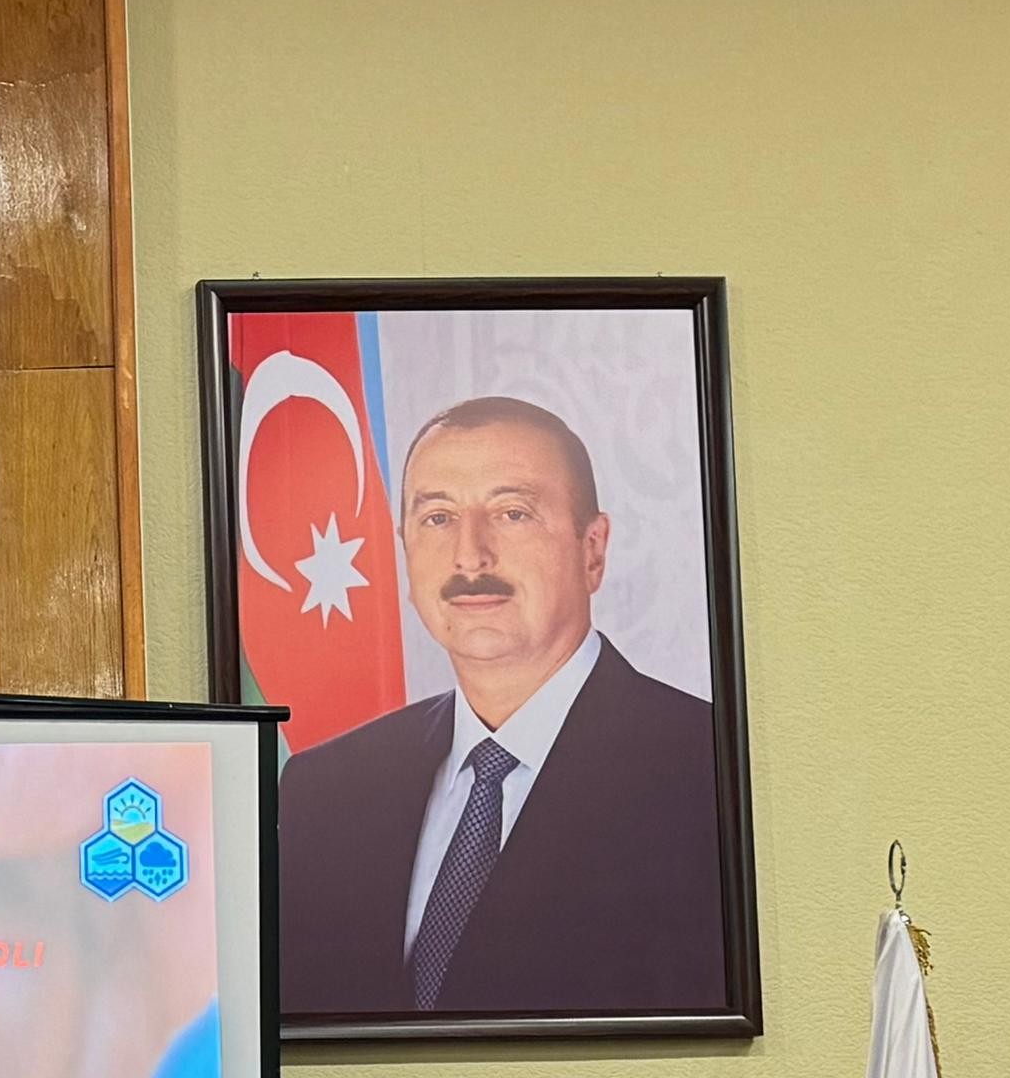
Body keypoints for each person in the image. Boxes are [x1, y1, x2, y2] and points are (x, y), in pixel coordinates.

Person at [276, 394, 728, 1023]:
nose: (470, 556)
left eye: (513, 513)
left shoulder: (711, 774)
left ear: (593, 549)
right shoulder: (323, 791)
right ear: (404, 549)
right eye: (437, 518)